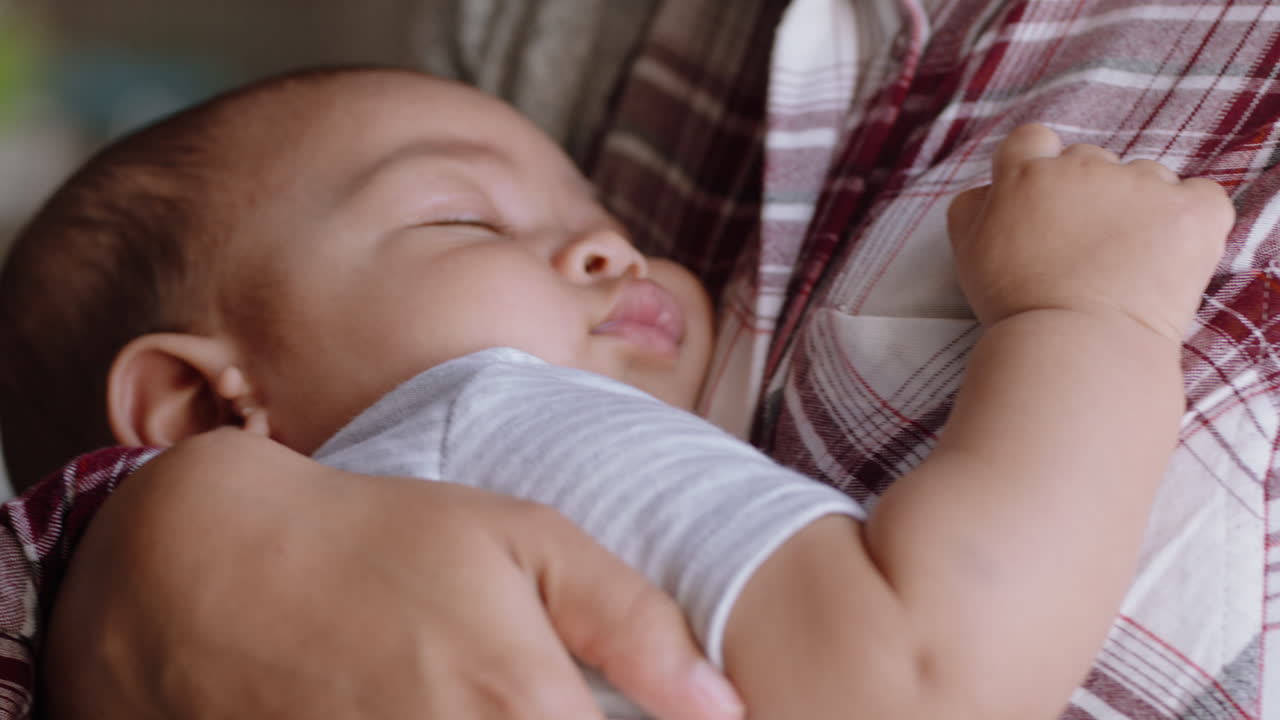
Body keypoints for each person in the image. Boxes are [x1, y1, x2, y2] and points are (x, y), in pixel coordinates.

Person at [0, 1, 1275, 718]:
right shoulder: (479, 424)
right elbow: (925, 672)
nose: (611, 247)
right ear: (204, 400)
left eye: (601, 214)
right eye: (466, 218)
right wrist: (1084, 317)